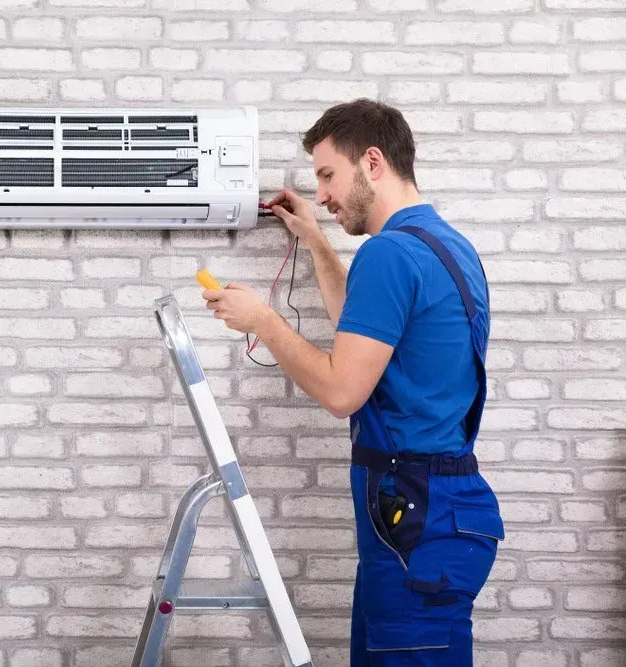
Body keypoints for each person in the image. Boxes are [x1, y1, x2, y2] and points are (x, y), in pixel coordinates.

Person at [203, 99, 504, 665]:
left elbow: (343, 391)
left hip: (417, 517)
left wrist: (265, 321)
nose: (321, 195)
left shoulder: (389, 253)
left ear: (372, 162)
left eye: (327, 175)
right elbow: (361, 332)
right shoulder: (444, 245)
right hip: (428, 512)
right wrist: (317, 242)